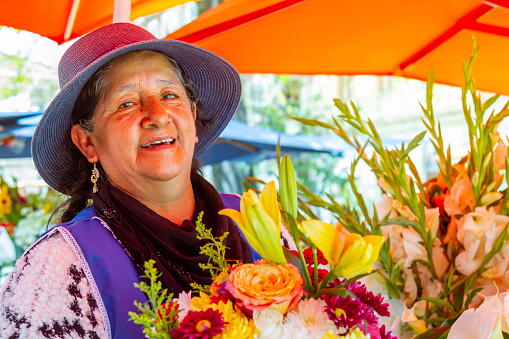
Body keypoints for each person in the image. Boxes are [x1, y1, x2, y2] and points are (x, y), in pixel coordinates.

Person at [0, 23, 254, 338]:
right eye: (127, 104)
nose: (158, 115)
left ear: (191, 114)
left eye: (169, 95)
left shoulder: (258, 219)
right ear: (87, 143)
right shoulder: (60, 268)